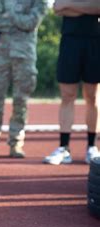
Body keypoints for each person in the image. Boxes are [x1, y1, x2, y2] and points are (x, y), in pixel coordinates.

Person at [0, 0, 47, 158]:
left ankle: (16, 143)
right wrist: (19, 18)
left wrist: (8, 16)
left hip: (24, 55)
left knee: (21, 101)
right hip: (0, 54)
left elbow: (31, 22)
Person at [43, 0, 100, 164]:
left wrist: (71, 6)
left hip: (95, 41)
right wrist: (87, 9)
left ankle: (91, 147)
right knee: (67, 95)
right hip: (69, 41)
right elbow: (58, 7)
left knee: (93, 96)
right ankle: (64, 148)